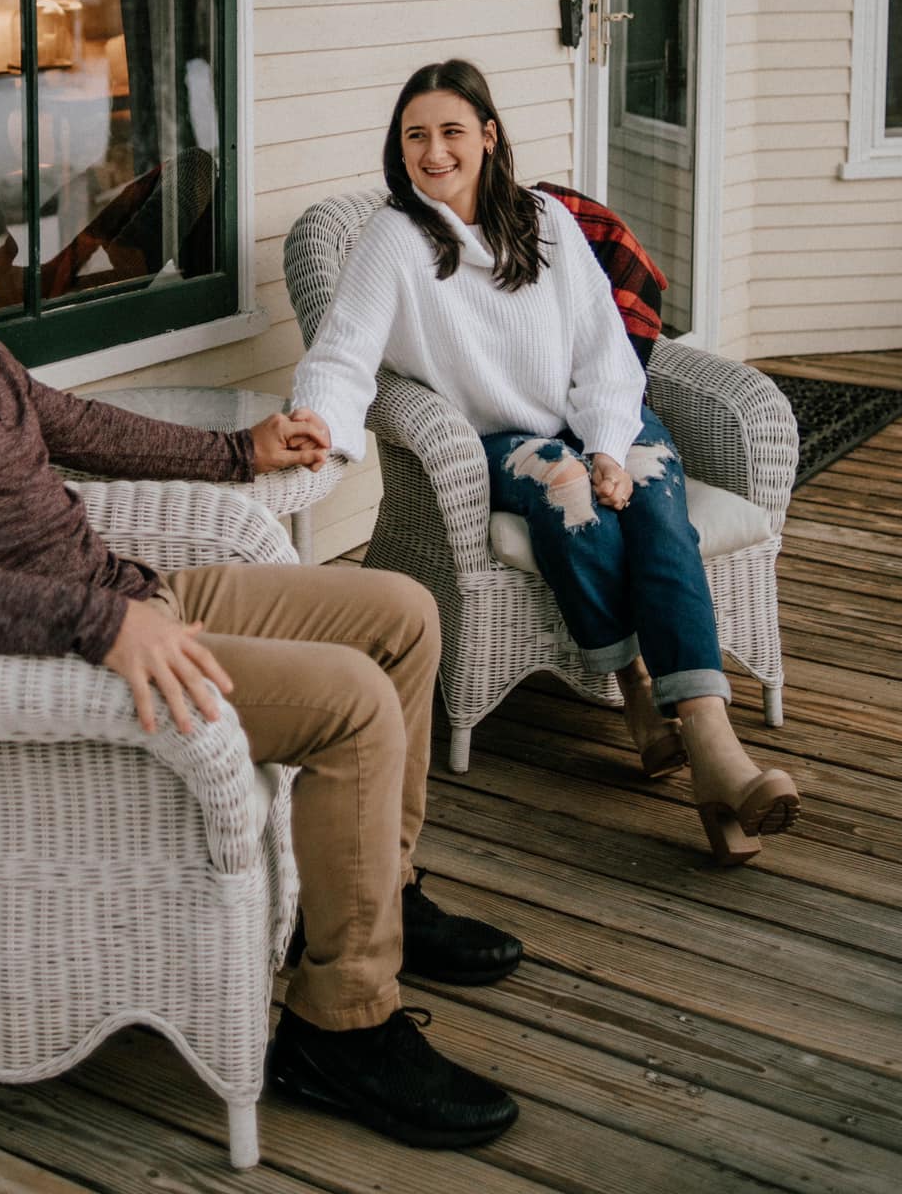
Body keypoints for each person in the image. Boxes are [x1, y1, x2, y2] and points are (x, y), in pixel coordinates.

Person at [0, 127, 523, 1150]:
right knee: (352, 698)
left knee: (401, 612)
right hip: (74, 656)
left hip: (134, 596)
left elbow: (77, 425)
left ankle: (371, 896)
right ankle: (338, 1027)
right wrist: (98, 623)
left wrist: (236, 450)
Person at [291, 58, 800, 867]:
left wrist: (605, 444)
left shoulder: (545, 221)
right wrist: (317, 422)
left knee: (652, 504)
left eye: (452, 132)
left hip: (597, 411)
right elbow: (346, 350)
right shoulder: (393, 238)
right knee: (572, 503)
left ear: (488, 137)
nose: (434, 152)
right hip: (501, 439)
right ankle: (635, 689)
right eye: (415, 135)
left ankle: (709, 739)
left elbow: (605, 348)